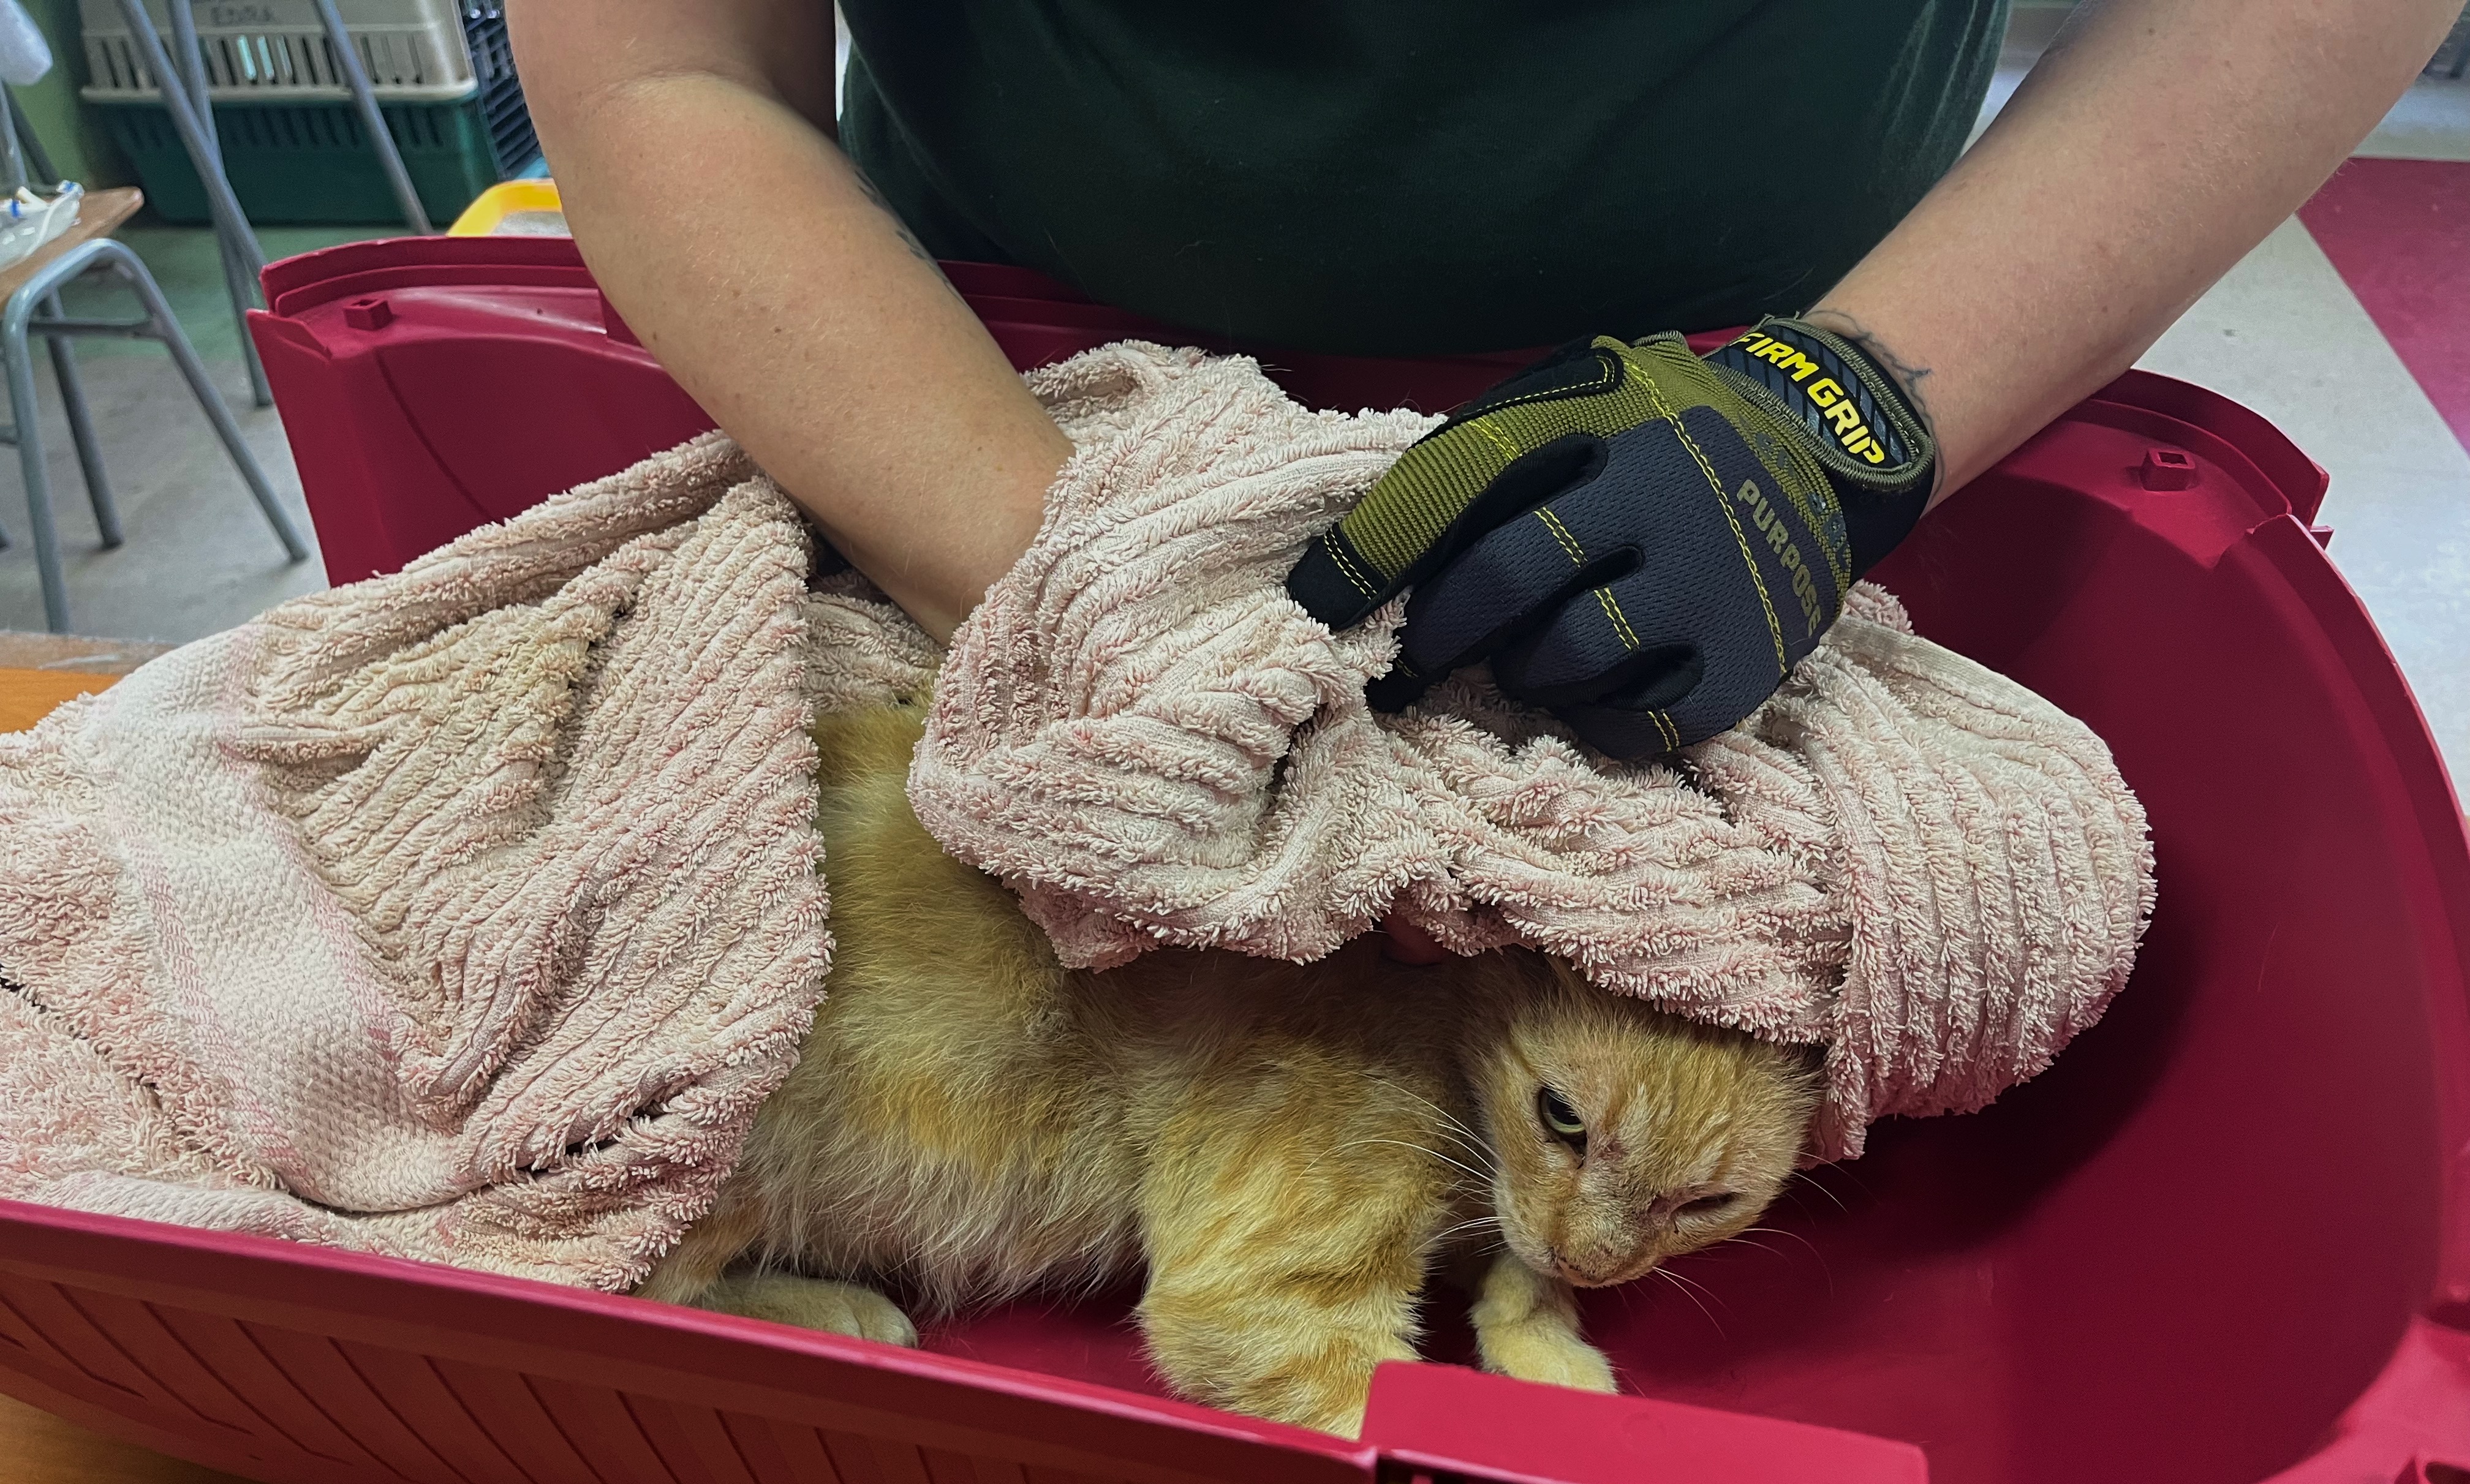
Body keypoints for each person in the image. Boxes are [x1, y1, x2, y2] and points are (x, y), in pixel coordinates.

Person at [509, 1, 2454, 754]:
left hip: (1779, 432)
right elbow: (669, 68)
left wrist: (1843, 409)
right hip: (970, 399)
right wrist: (1062, 571)